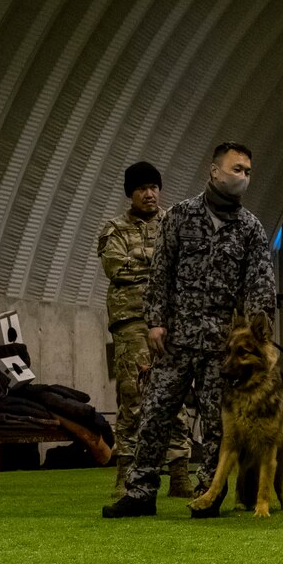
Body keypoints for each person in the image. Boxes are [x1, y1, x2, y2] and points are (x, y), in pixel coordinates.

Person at [102, 142, 277, 518]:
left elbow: (260, 288)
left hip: (222, 347)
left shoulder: (250, 229)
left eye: (247, 171)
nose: (243, 177)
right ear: (214, 171)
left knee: (217, 425)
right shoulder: (180, 217)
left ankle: (208, 495)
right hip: (175, 340)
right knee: (154, 414)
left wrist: (259, 338)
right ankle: (140, 492)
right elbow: (160, 274)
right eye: (236, 169)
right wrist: (155, 322)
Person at [96, 160, 194, 498]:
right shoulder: (115, 229)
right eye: (142, 189)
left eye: (153, 187)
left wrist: (148, 263)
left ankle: (180, 473)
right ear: (131, 194)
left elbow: (187, 268)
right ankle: (126, 474)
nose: (149, 194)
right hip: (132, 324)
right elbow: (116, 268)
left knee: (174, 397)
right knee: (133, 398)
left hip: (170, 323)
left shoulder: (174, 223)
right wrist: (160, 265)